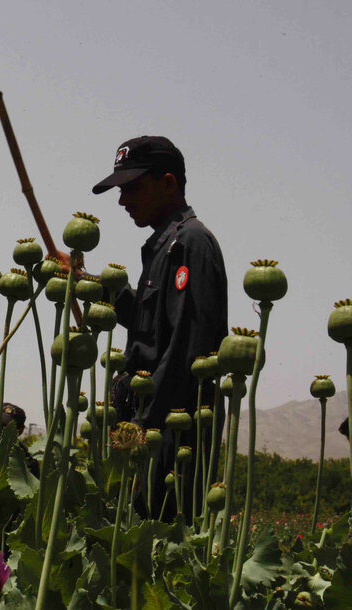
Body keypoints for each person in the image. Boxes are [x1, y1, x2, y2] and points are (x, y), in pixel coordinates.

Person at [92, 135, 227, 521]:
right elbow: (148, 325)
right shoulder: (164, 246)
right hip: (151, 422)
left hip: (174, 426)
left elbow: (188, 346)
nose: (122, 201)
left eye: (132, 187)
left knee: (164, 545)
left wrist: (143, 425)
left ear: (168, 183)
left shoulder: (190, 243)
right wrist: (83, 282)